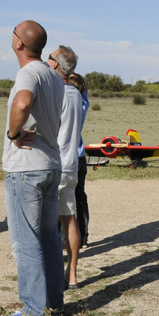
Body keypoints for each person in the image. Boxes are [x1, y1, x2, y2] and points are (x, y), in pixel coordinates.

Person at [0, 20, 65, 316]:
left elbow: (23, 102)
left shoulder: (28, 73)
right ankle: (53, 304)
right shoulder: (53, 75)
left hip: (27, 168)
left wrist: (14, 134)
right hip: (52, 164)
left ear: (19, 44)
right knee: (50, 238)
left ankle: (32, 313)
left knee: (25, 241)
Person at [46, 46, 84, 289]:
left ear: (56, 65)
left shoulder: (54, 92)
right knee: (70, 220)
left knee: (47, 224)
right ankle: (72, 275)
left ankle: (50, 276)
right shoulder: (76, 94)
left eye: (49, 58)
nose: (46, 61)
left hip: (53, 164)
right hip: (72, 164)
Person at [69, 72, 90, 249]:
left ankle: (63, 236)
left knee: (61, 200)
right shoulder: (83, 105)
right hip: (80, 157)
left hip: (65, 159)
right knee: (80, 198)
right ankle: (83, 236)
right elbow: (85, 94)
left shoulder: (63, 104)